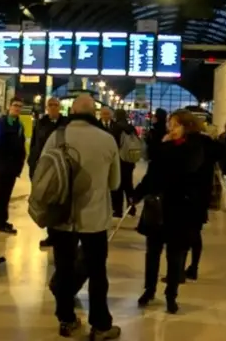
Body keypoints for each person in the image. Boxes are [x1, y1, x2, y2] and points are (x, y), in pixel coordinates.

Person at [45, 94, 122, 340]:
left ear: (72, 111)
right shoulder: (107, 140)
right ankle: (100, 325)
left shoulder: (56, 137)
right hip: (94, 219)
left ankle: (66, 320)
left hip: (61, 215)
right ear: (94, 113)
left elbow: (42, 172)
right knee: (97, 272)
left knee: (64, 268)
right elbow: (115, 182)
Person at [132, 109, 223, 314]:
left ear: (186, 126)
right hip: (159, 207)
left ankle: (171, 294)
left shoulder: (198, 147)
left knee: (175, 255)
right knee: (152, 253)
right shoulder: (166, 147)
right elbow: (152, 175)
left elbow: (195, 165)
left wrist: (170, 146)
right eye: (170, 124)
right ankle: (149, 289)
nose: (170, 128)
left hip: (183, 209)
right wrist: (137, 194)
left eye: (175, 124)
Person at [27, 97, 68, 248]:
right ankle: (50, 234)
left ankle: (59, 235)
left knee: (58, 202)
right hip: (43, 167)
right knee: (46, 201)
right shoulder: (41, 123)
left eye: (55, 105)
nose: (52, 107)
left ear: (60, 107)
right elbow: (34, 144)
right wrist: (32, 163)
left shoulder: (65, 123)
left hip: (60, 169)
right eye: (50, 105)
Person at [0, 98, 26, 235]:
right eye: (15, 105)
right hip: (2, 164)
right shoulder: (2, 123)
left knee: (6, 195)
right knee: (1, 194)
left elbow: (21, 145)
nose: (17, 108)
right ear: (9, 107)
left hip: (12, 166)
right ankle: (0, 221)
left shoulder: (20, 125)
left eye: (19, 106)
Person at [110, 109, 138, 218]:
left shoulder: (116, 128)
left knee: (117, 186)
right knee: (128, 185)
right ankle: (131, 208)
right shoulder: (131, 127)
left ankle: (118, 210)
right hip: (129, 161)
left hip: (118, 160)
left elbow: (113, 144)